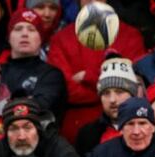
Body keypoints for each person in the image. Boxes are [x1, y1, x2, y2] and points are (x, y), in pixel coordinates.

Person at [49, 0, 146, 140]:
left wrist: (89, 77)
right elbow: (65, 91)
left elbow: (136, 85)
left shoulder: (130, 35)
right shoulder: (61, 39)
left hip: (127, 127)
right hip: (76, 130)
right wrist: (116, 87)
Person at [1, 9, 65, 116]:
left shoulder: (51, 75)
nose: (24, 34)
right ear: (9, 37)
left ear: (40, 38)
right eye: (18, 29)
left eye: (31, 29)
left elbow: (37, 108)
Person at [73, 55, 138, 157]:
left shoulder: (150, 129)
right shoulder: (88, 134)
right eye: (106, 93)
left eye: (119, 92)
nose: (112, 99)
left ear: (133, 94)